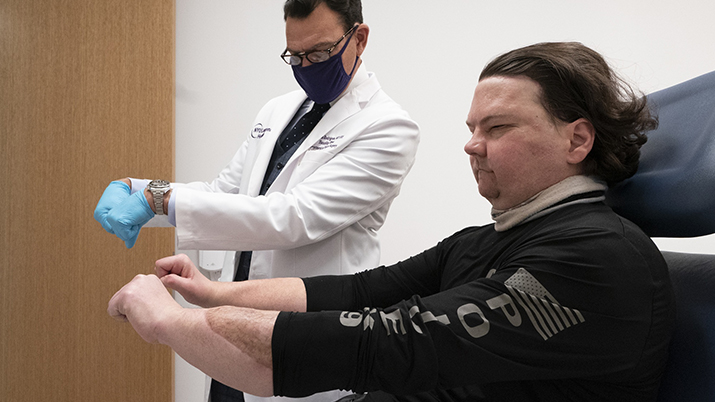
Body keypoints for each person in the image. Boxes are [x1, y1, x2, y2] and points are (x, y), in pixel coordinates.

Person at [108, 42, 675, 402]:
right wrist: (211, 293)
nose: (470, 146)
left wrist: (165, 321)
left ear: (577, 139)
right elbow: (357, 291)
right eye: (473, 127)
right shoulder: (485, 240)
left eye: (497, 129)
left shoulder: (598, 258)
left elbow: (380, 341)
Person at [94, 0, 420, 402]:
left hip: (307, 338)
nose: (306, 67)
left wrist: (163, 199)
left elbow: (293, 218)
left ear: (359, 37)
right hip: (231, 324)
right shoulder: (279, 108)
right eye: (295, 55)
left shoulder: (388, 127)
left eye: (320, 52)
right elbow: (225, 191)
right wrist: (139, 187)